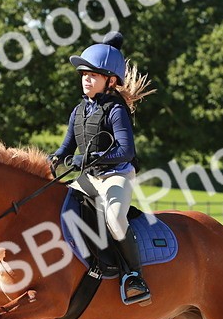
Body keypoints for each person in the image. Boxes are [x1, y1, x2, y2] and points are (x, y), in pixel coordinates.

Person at [50, 31, 155, 305]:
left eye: (93, 75)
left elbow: (126, 150)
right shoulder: (79, 111)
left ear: (110, 81)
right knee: (56, 206)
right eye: (84, 73)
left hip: (116, 175)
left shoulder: (116, 110)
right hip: (90, 178)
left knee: (115, 219)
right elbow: (67, 146)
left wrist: (89, 158)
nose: (86, 78)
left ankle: (134, 276)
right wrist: (57, 157)